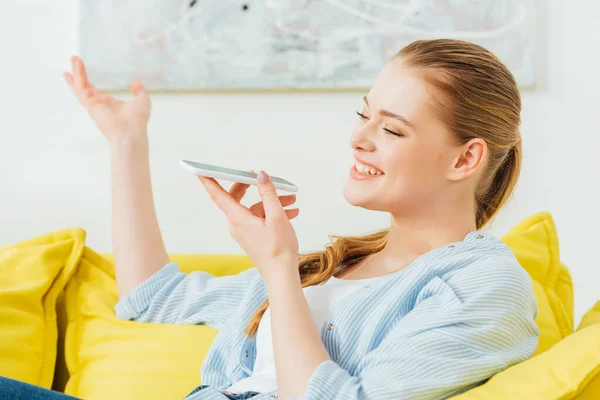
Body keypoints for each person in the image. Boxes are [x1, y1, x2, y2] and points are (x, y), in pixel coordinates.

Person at [0, 39, 539, 400]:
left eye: (392, 129)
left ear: (465, 159)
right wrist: (126, 142)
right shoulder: (335, 264)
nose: (358, 137)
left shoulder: (481, 285)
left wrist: (277, 267)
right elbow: (151, 301)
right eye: (363, 113)